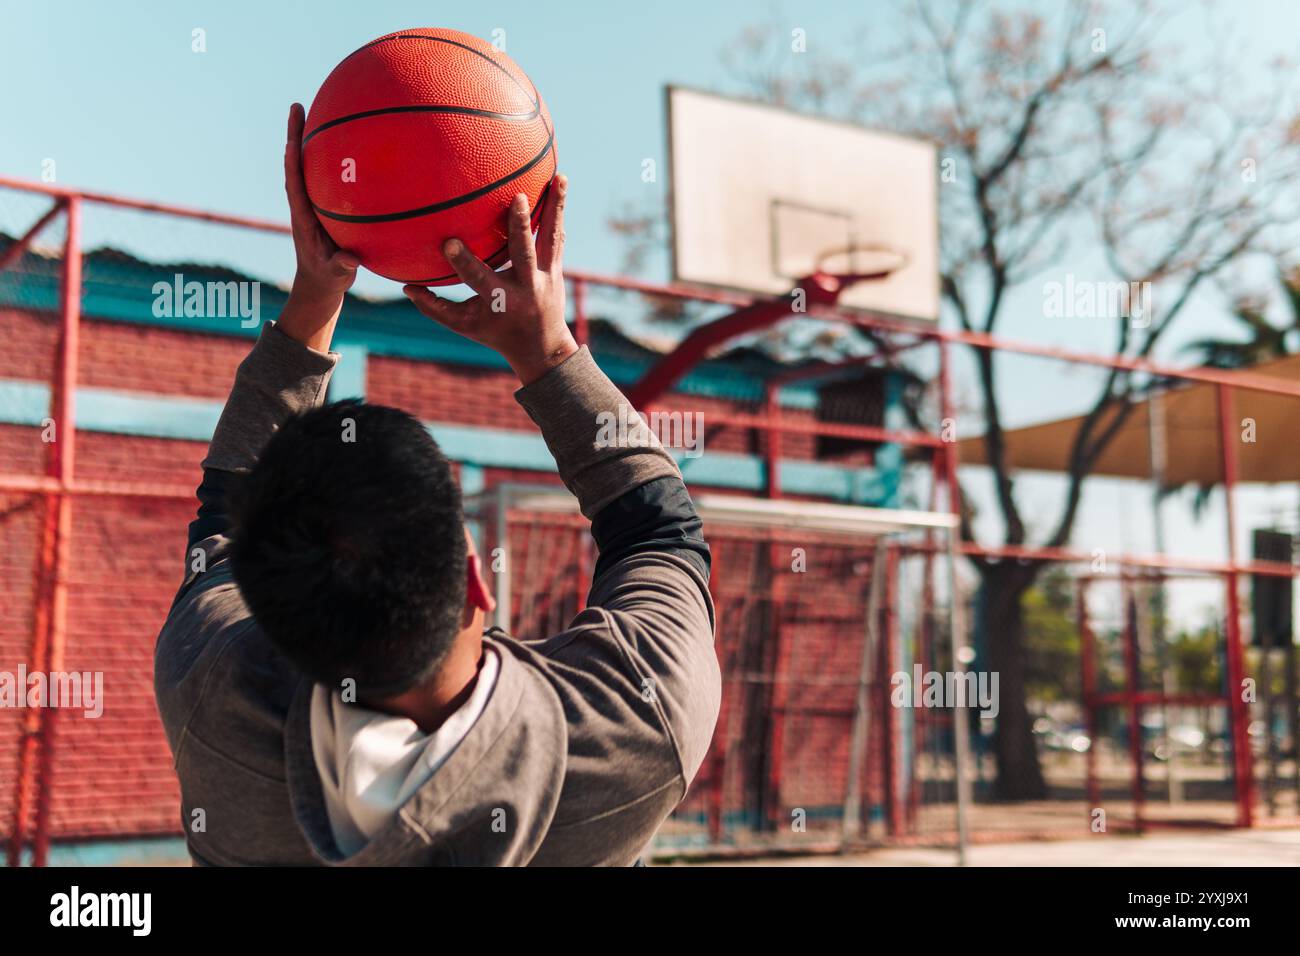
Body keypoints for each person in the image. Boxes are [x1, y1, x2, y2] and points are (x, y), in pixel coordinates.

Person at [153, 104, 721, 865]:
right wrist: (548, 348)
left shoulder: (213, 693)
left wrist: (315, 297)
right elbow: (662, 532)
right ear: (475, 581)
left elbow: (223, 518)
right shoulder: (632, 732)